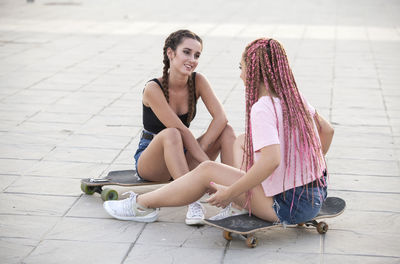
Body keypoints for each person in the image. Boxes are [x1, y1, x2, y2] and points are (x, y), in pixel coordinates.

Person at [103, 38, 334, 226]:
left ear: (253, 71)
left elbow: (272, 160)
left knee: (207, 170)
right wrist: (303, 171)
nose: (241, 75)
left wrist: (230, 192)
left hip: (287, 207)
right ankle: (237, 203)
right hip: (315, 196)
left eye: (241, 67)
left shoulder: (262, 107)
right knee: (243, 141)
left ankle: (141, 205)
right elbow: (327, 130)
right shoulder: (295, 97)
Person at [131, 29, 236, 225]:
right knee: (171, 133)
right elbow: (181, 130)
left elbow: (221, 118)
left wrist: (206, 161)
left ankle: (234, 198)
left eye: (197, 55)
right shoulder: (153, 88)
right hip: (153, 161)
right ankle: (192, 202)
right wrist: (208, 165)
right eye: (186, 52)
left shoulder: (198, 81)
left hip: (182, 152)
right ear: (170, 53)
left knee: (227, 131)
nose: (192, 59)